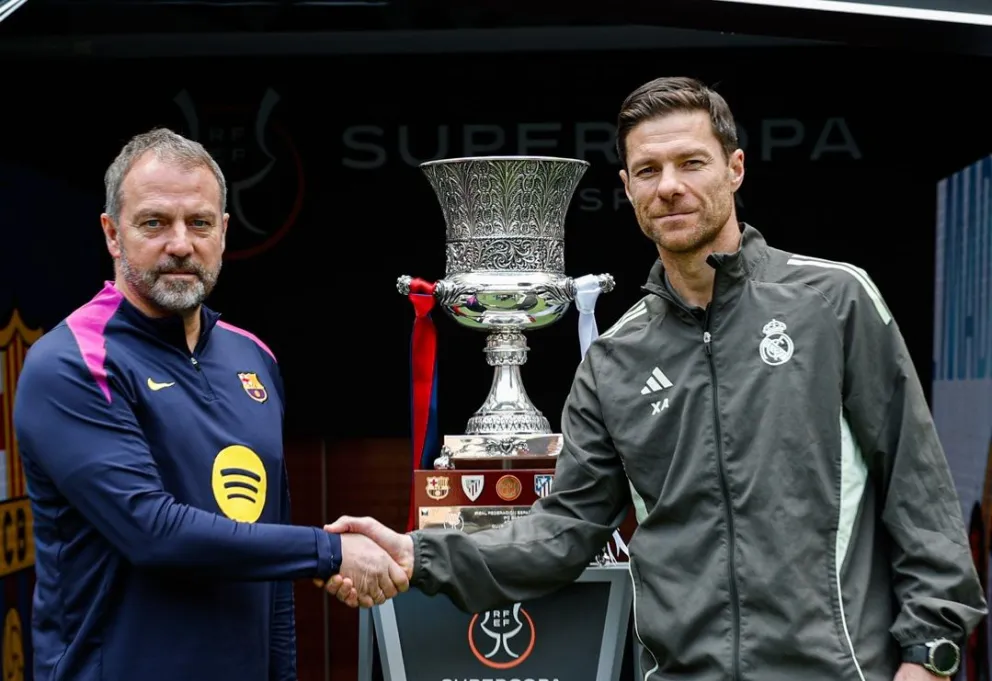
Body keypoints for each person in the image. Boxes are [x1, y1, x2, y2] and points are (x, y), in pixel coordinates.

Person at [325, 77, 988, 681]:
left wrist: (930, 656)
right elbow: (562, 531)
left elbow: (918, 489)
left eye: (690, 163)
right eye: (648, 170)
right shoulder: (614, 359)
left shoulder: (833, 301)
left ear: (734, 168)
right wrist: (418, 554)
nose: (669, 184)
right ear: (628, 187)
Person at [13, 128, 408, 681]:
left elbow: (270, 574)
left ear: (222, 233)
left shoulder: (254, 357)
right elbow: (151, 532)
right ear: (111, 233)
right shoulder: (73, 362)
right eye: (154, 223)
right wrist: (330, 552)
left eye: (198, 223)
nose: (180, 244)